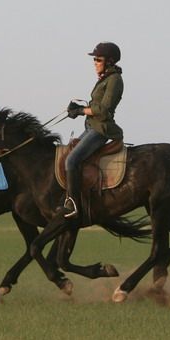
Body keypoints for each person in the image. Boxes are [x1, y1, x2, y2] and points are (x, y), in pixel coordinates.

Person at [64, 42, 124, 220]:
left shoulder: (115, 80)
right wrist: (80, 108)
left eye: (98, 59)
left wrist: (81, 110)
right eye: (95, 59)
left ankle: (73, 204)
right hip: (91, 126)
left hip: (100, 130)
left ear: (109, 61)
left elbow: (104, 110)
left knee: (71, 160)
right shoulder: (105, 78)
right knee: (68, 150)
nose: (95, 62)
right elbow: (96, 106)